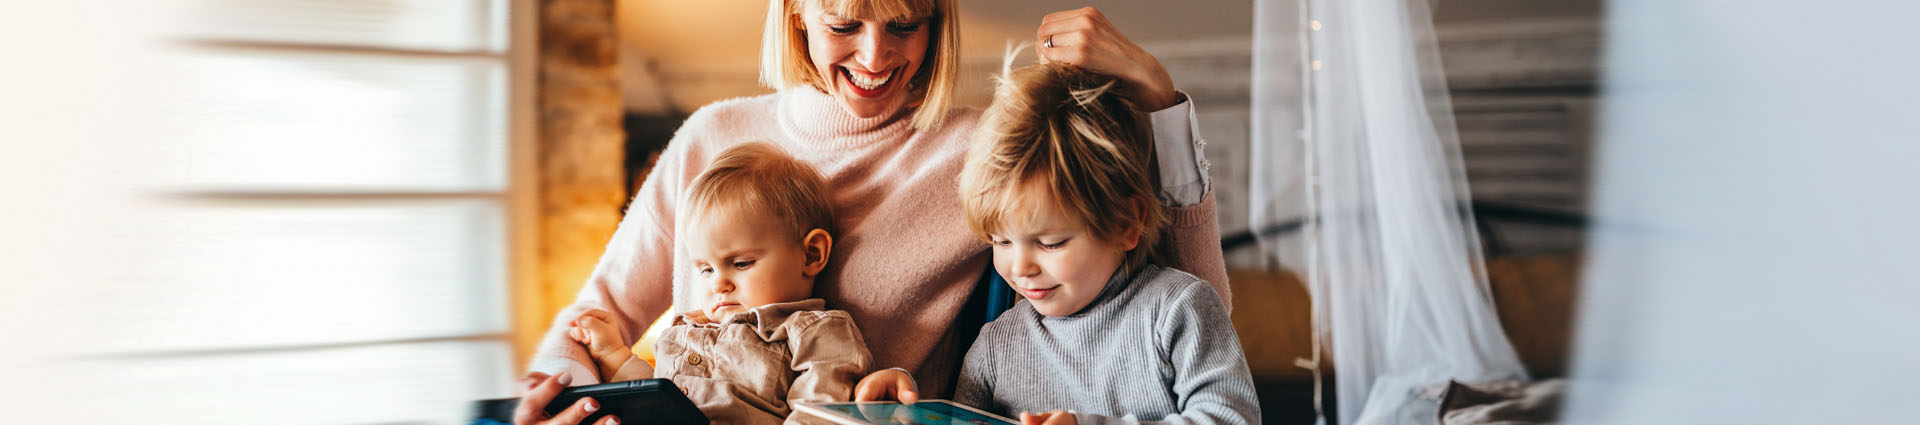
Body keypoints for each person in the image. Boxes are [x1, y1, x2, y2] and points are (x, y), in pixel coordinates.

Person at [515, 1, 1234, 423]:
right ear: (796, 13)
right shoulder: (712, 136)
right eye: (845, 23)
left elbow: (1182, 296)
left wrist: (1159, 97)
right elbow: (586, 327)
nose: (876, 55)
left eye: (904, 23)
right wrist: (562, 400)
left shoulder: (974, 148)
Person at [857, 62, 1259, 425]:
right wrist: (909, 411)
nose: (1021, 267)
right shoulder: (995, 348)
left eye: (1050, 243)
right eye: (1001, 240)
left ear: (1126, 223)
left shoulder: (1178, 309)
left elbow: (1231, 418)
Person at [562, 143, 872, 425]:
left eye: (741, 263)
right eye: (706, 269)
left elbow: (820, 413)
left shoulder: (815, 331)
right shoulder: (686, 332)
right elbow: (657, 395)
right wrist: (614, 354)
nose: (719, 283)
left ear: (811, 254)